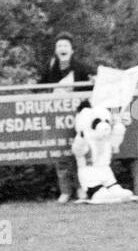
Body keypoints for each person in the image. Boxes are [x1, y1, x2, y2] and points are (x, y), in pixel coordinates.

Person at [37, 33, 96, 202]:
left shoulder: (81, 67)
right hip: (57, 117)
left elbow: (94, 79)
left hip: (77, 117)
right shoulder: (50, 67)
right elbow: (39, 87)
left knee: (79, 153)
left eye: (65, 46)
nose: (62, 49)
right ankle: (65, 191)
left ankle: (81, 189)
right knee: (61, 155)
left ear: (72, 50)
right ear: (56, 50)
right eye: (59, 46)